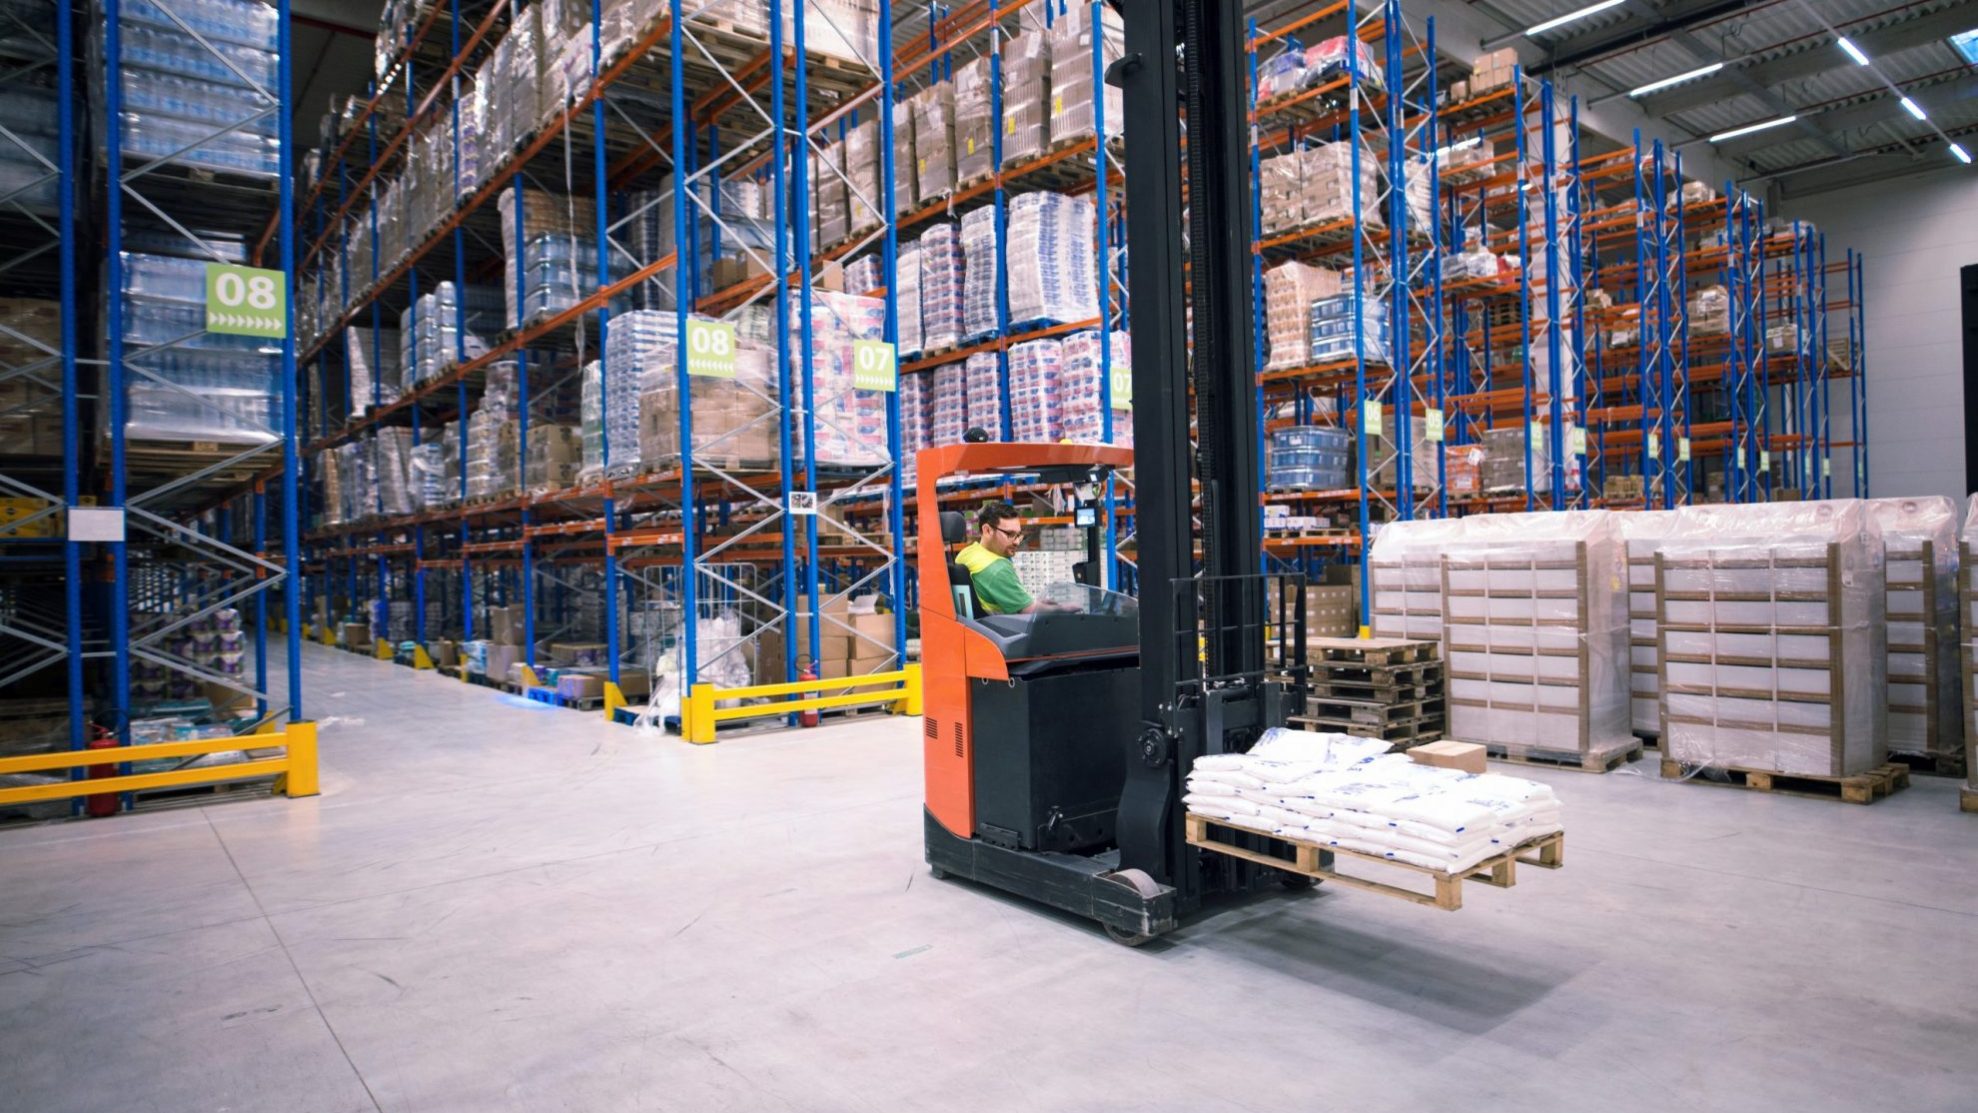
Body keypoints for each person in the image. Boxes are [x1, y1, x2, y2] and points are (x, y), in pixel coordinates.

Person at [953, 500, 1060, 615]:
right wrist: (1063, 609)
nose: (1017, 542)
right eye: (1010, 534)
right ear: (987, 530)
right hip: (1001, 629)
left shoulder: (966, 553)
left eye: (1018, 535)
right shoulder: (998, 569)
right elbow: (1029, 611)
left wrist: (1033, 602)